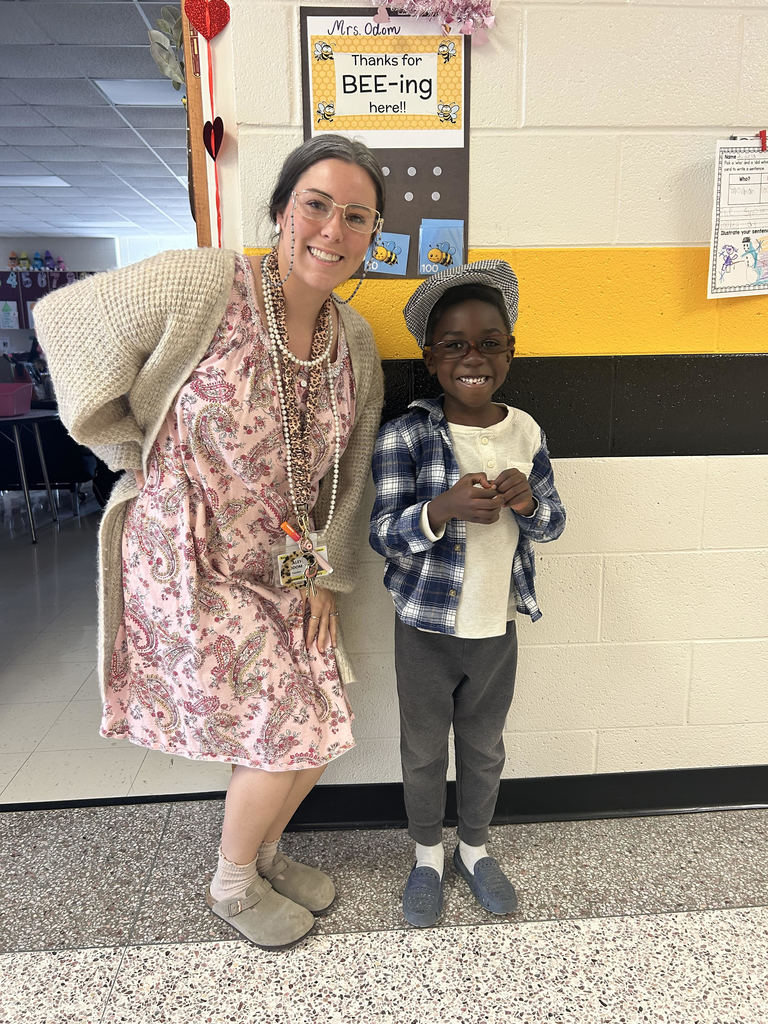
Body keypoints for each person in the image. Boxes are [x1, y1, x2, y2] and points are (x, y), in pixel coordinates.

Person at [34, 134, 385, 950]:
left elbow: (349, 468)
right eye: (317, 205)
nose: (333, 229)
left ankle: (261, 854)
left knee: (326, 711)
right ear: (281, 211)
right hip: (187, 554)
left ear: (373, 237)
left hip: (285, 558)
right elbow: (67, 320)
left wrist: (323, 578)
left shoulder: (354, 342)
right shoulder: (207, 284)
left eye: (356, 216)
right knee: (285, 723)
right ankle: (230, 884)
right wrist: (130, 449)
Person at [369, 260, 566, 927]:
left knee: (484, 747)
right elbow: (384, 536)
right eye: (454, 344)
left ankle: (474, 850)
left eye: (490, 342)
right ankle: (427, 857)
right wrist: (441, 508)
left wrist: (530, 502)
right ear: (431, 357)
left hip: (495, 630)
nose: (473, 357)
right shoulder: (406, 436)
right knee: (423, 750)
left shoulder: (528, 431)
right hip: (423, 629)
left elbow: (555, 523)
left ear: (511, 351)